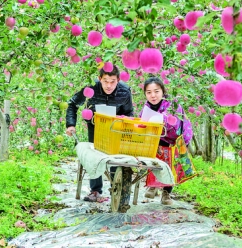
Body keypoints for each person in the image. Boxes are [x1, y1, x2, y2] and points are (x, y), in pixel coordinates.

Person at [66, 65, 134, 202]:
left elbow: (129, 113)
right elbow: (73, 103)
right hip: (95, 125)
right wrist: (71, 124)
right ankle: (96, 190)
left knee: (116, 156)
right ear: (99, 79)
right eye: (105, 81)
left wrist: (125, 122)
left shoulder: (125, 91)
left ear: (118, 80)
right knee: (95, 156)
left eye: (113, 81)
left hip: (115, 127)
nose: (109, 85)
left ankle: (117, 187)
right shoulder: (90, 89)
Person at [140, 77, 193, 205]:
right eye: (149, 92)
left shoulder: (173, 105)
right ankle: (153, 185)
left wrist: (160, 119)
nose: (153, 95)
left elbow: (174, 124)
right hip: (157, 138)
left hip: (173, 139)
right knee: (154, 158)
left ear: (163, 91)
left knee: (169, 164)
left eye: (156, 91)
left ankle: (166, 192)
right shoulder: (146, 107)